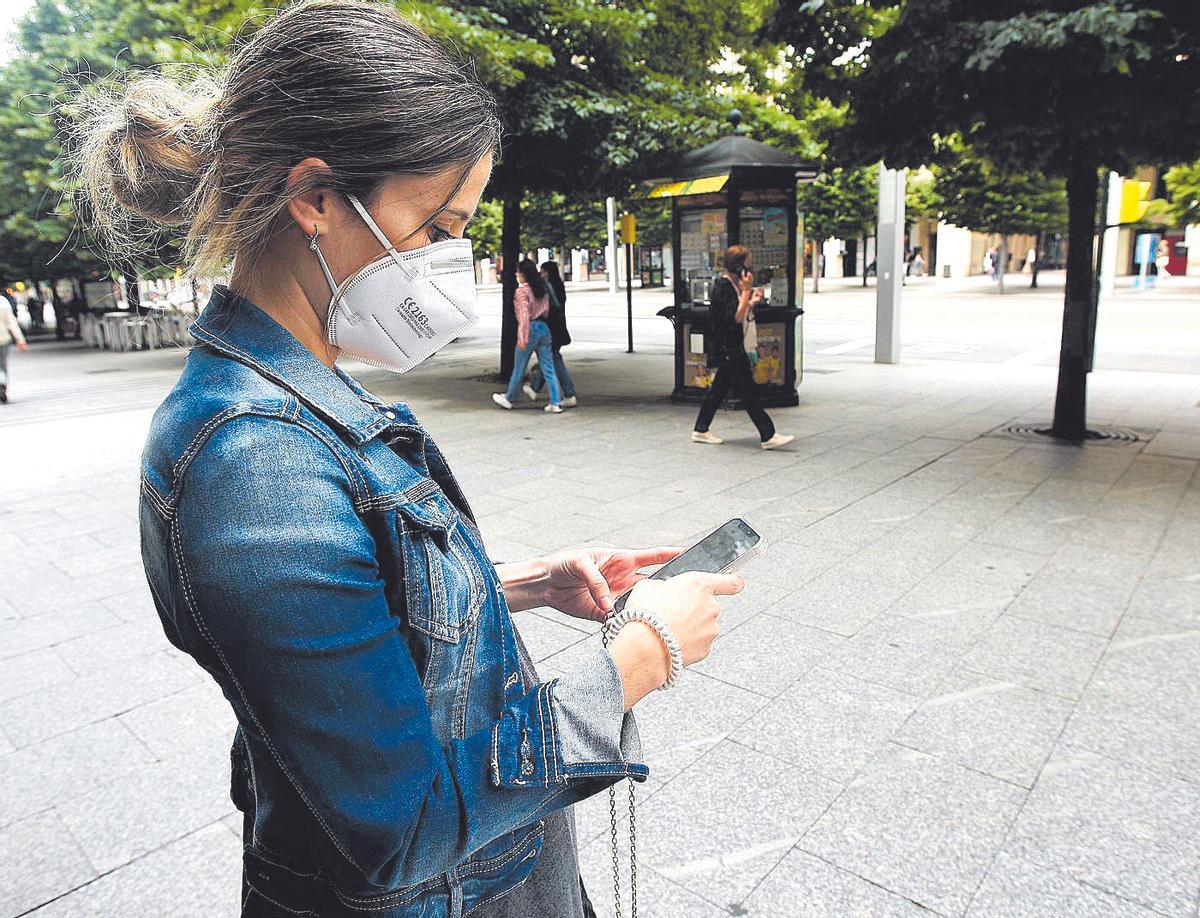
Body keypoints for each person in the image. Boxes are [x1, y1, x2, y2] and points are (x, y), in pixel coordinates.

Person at [66, 3, 744, 915]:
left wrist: (515, 584)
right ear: (316, 197)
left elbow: (347, 626)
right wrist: (641, 655)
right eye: (436, 228)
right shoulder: (252, 462)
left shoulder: (294, 405)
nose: (450, 263)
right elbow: (402, 825)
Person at [692, 244, 794, 450]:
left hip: (731, 347)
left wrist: (750, 301)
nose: (750, 270)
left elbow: (738, 312)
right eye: (748, 265)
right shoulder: (723, 286)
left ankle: (701, 429)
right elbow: (736, 317)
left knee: (719, 391)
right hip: (729, 348)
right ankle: (768, 434)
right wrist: (747, 291)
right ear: (739, 267)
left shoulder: (730, 285)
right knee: (748, 393)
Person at [492, 259, 562, 412]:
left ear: (523, 274)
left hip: (530, 328)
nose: (517, 275)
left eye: (518, 273)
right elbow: (547, 311)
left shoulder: (521, 292)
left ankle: (509, 398)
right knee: (548, 368)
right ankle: (555, 402)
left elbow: (523, 316)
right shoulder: (542, 289)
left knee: (519, 367)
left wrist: (522, 337)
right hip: (544, 328)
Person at [523, 260, 576, 407]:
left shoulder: (549, 287)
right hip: (558, 328)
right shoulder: (558, 285)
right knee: (550, 359)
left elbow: (548, 310)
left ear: (547, 272)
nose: (541, 273)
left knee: (554, 360)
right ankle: (535, 388)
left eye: (543, 271)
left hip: (552, 329)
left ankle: (569, 393)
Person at [0, 299, 28, 403]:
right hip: (3, 340)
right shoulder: (3, 302)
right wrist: (20, 339)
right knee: (2, 365)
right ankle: (2, 383)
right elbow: (11, 322)